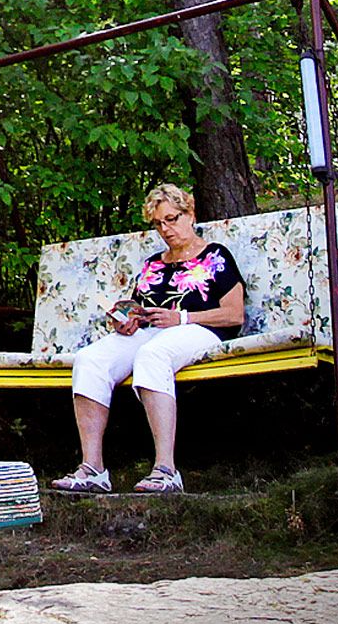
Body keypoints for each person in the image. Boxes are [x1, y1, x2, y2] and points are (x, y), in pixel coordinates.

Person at [49, 182, 247, 496]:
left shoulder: (215, 256)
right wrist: (126, 321)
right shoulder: (154, 264)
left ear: (190, 213)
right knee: (90, 360)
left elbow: (235, 315)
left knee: (152, 354)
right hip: (152, 332)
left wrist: (181, 318)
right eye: (158, 223)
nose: (166, 229)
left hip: (201, 329)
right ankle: (93, 469)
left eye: (172, 219)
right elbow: (139, 309)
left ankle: (166, 470)